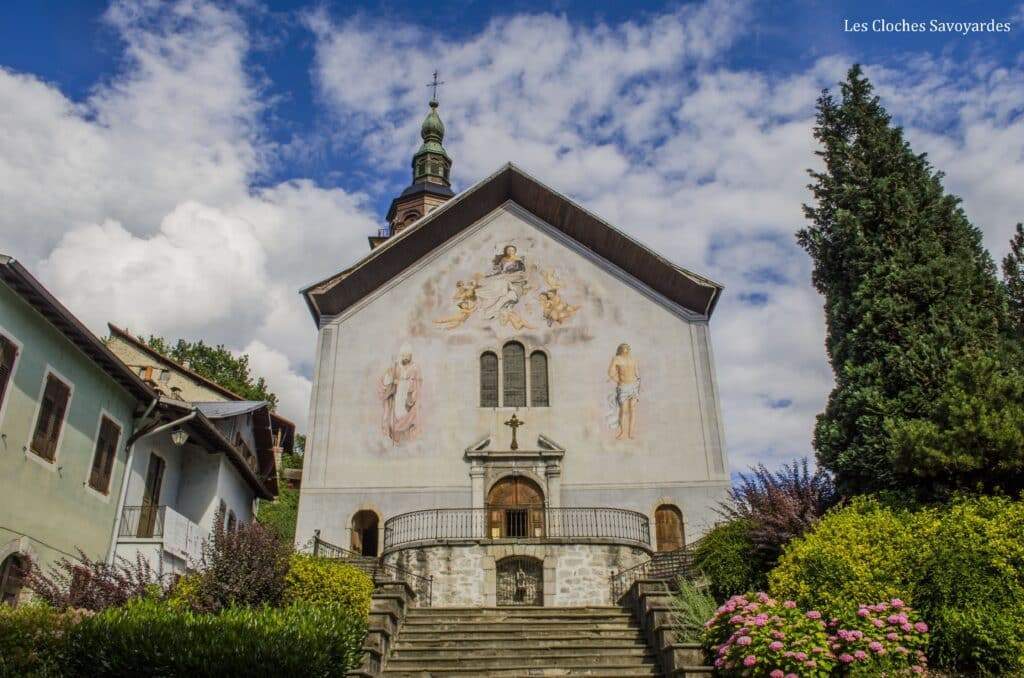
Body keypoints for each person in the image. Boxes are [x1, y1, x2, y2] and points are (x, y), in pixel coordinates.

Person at [379, 344, 422, 444]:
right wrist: (391, 380)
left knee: (408, 420)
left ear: (410, 356)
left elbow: (416, 384)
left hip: (407, 400)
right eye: (403, 356)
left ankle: (406, 442)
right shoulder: (396, 366)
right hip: (397, 398)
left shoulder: (415, 368)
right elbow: (387, 379)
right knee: (393, 420)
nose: (405, 358)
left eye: (407, 356)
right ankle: (395, 440)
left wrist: (402, 383)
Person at [607, 343, 640, 440]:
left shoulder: (633, 359)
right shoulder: (617, 359)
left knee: (632, 410)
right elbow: (610, 372)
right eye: (624, 349)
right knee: (623, 410)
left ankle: (631, 433)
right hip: (623, 387)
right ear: (621, 350)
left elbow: (637, 372)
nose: (626, 351)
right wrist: (617, 380)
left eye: (627, 349)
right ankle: (622, 432)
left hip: (634, 386)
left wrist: (638, 382)